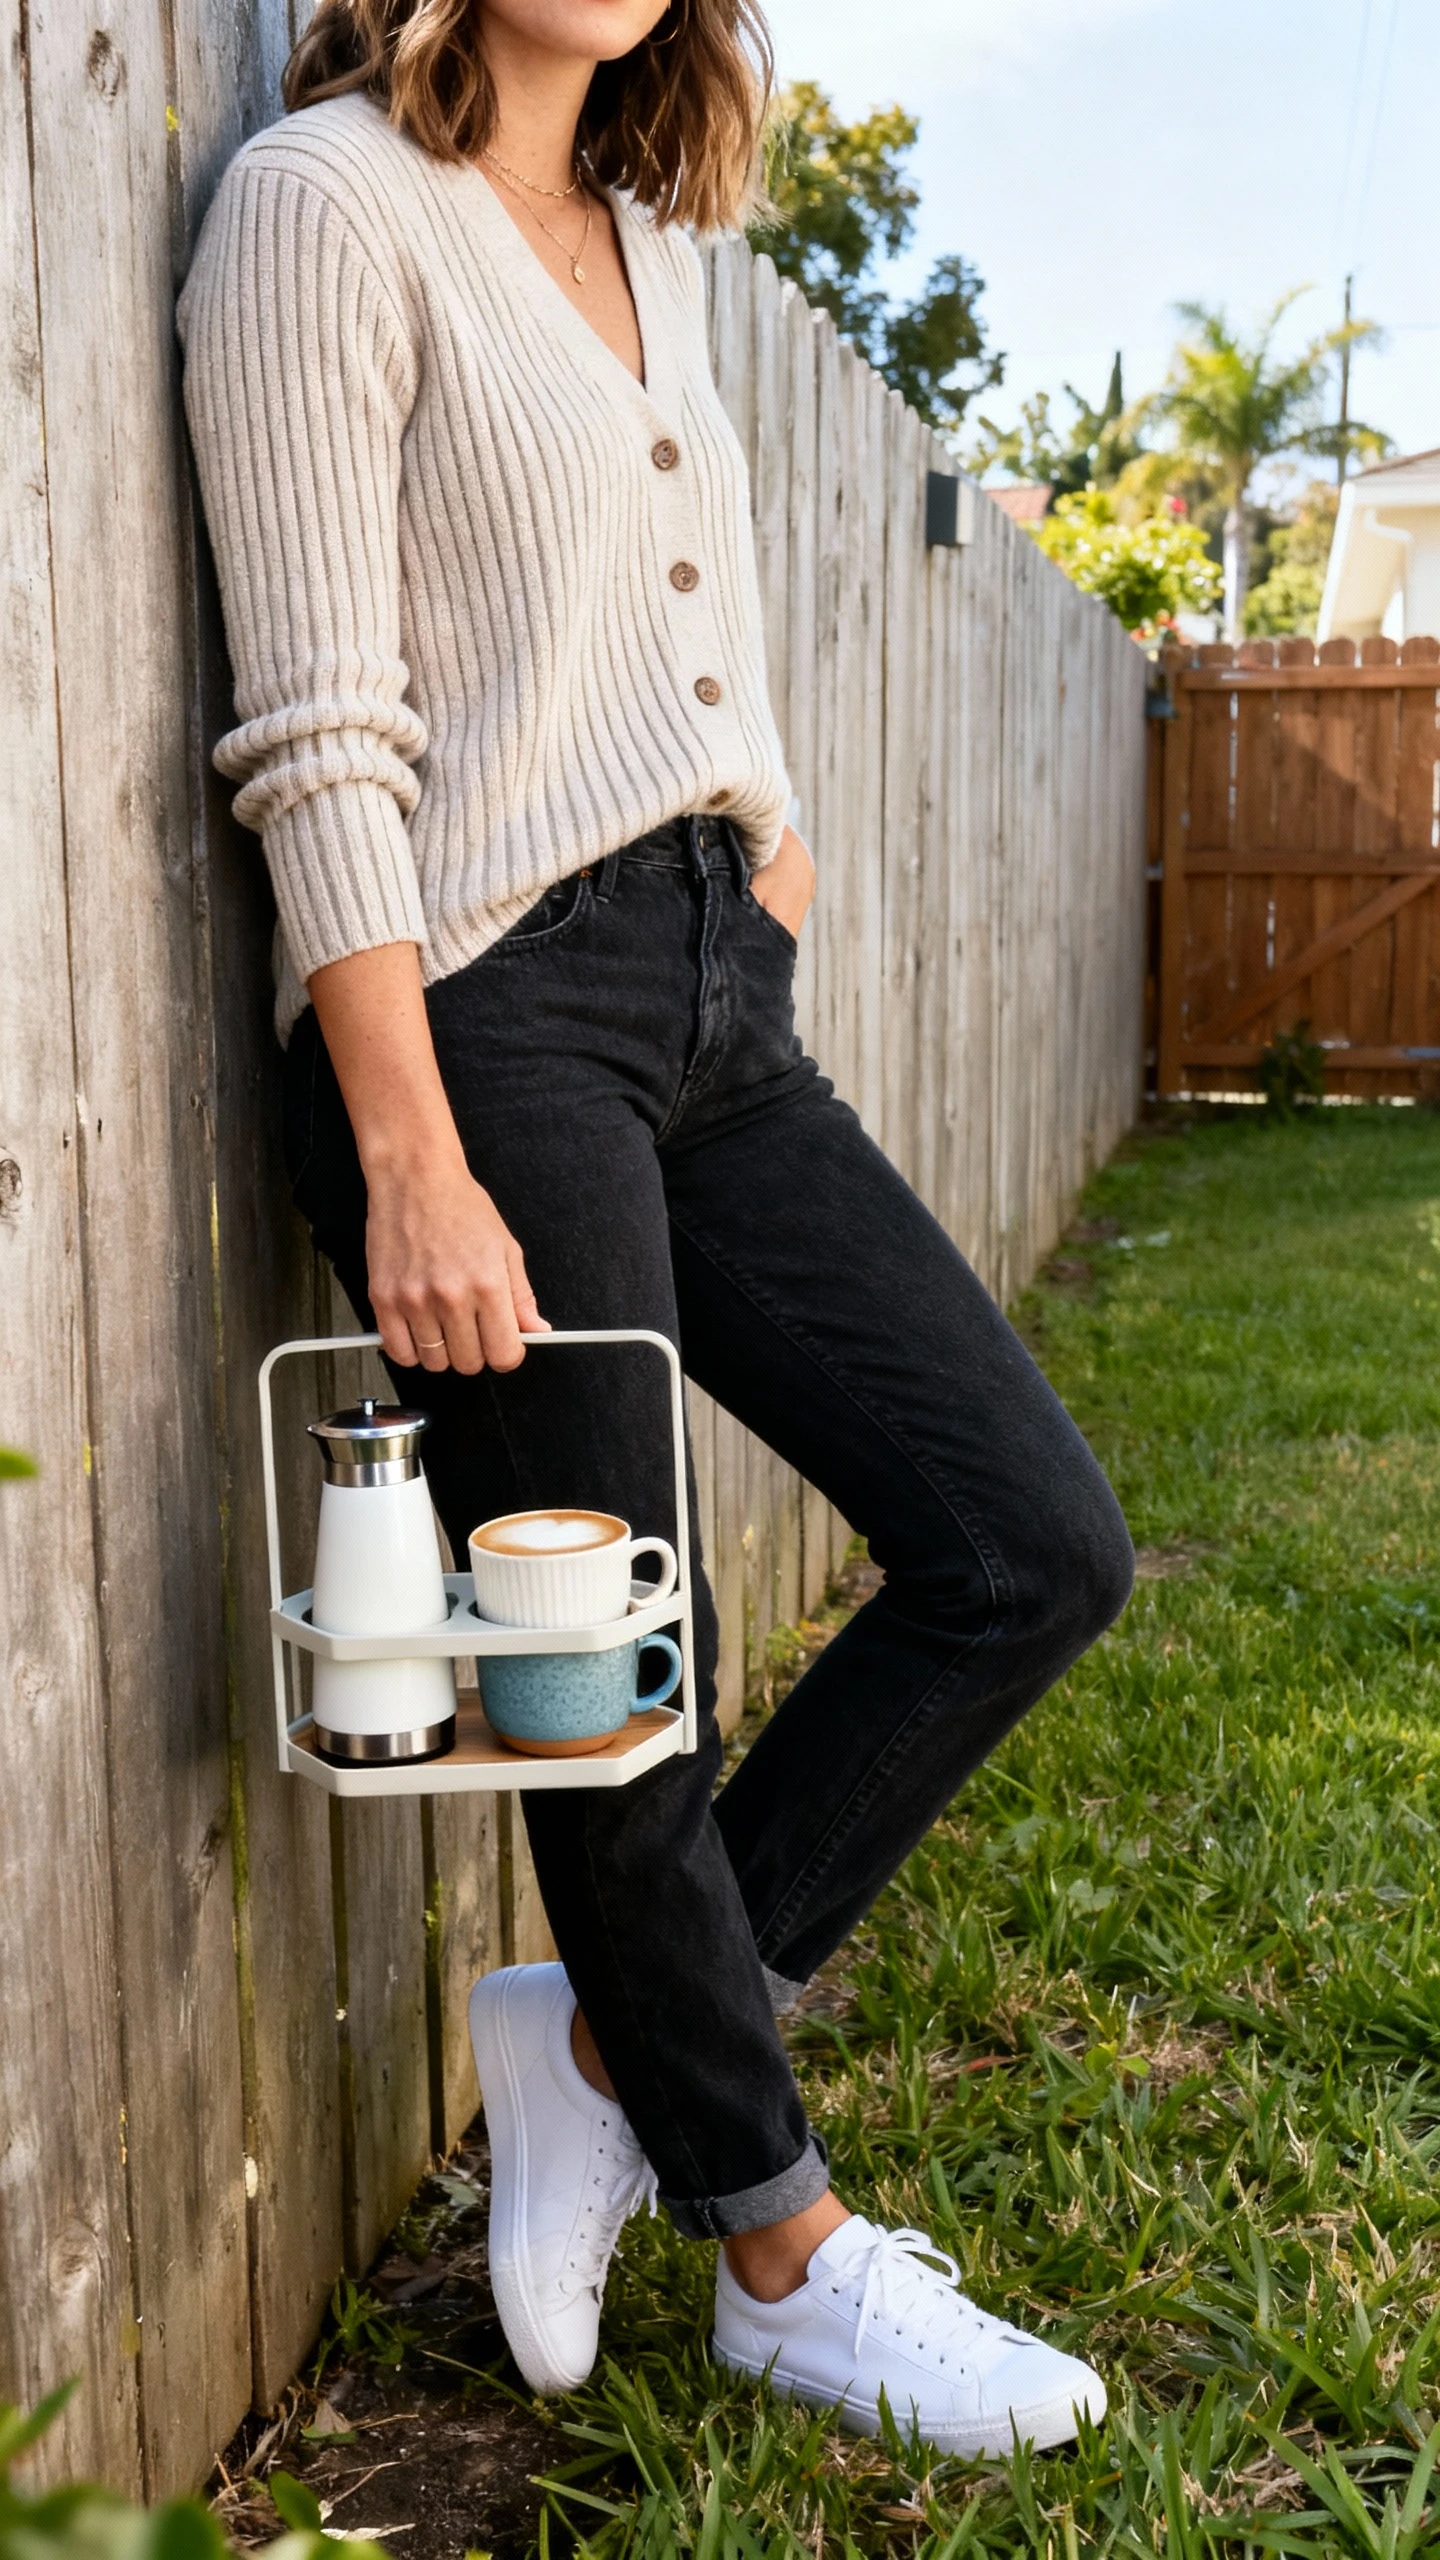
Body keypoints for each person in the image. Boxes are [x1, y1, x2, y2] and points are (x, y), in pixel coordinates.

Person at [178, 0, 1134, 2460]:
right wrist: (408, 1143)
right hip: (484, 1010)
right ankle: (782, 2251)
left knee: (1028, 1540)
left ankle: (594, 2031)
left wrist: (771, 834)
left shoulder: (638, 230)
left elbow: (668, 615)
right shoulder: (322, 206)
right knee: (610, 1671)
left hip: (716, 990)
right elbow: (322, 716)